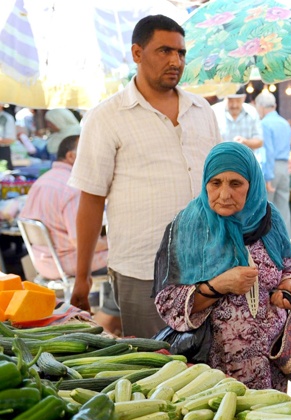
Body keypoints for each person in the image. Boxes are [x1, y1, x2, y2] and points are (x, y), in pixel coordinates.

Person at [68, 14, 221, 338]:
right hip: (142, 270)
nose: (175, 61)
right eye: (164, 51)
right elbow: (92, 199)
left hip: (209, 265)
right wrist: (82, 276)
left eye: (180, 53)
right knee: (156, 369)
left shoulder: (202, 111)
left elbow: (220, 183)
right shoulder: (106, 117)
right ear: (137, 53)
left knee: (211, 369)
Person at [154, 142, 291, 391]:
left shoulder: (268, 216)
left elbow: (289, 264)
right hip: (215, 370)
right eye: (216, 183)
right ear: (205, 184)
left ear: (252, 184)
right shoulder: (188, 226)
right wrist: (218, 286)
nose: (224, 194)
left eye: (236, 184)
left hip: (271, 361)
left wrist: (287, 285)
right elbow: (169, 303)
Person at [19, 135, 122, 334]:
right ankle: (109, 322)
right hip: (66, 263)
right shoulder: (73, 186)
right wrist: (116, 240)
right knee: (127, 259)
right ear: (71, 156)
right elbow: (79, 241)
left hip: (42, 262)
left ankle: (112, 319)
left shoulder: (42, 180)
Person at [255, 92, 291, 238]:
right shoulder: (284, 122)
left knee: (266, 208)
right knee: (283, 206)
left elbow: (268, 152)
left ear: (261, 107)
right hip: (285, 167)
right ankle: (287, 242)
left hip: (272, 168)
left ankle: (269, 244)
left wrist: (268, 177)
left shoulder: (264, 124)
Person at [215, 93, 264, 165]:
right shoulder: (215, 111)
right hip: (221, 163)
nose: (234, 105)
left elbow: (259, 141)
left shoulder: (252, 112)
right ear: (225, 98)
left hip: (246, 164)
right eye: (230, 100)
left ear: (244, 98)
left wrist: (245, 142)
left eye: (238, 101)